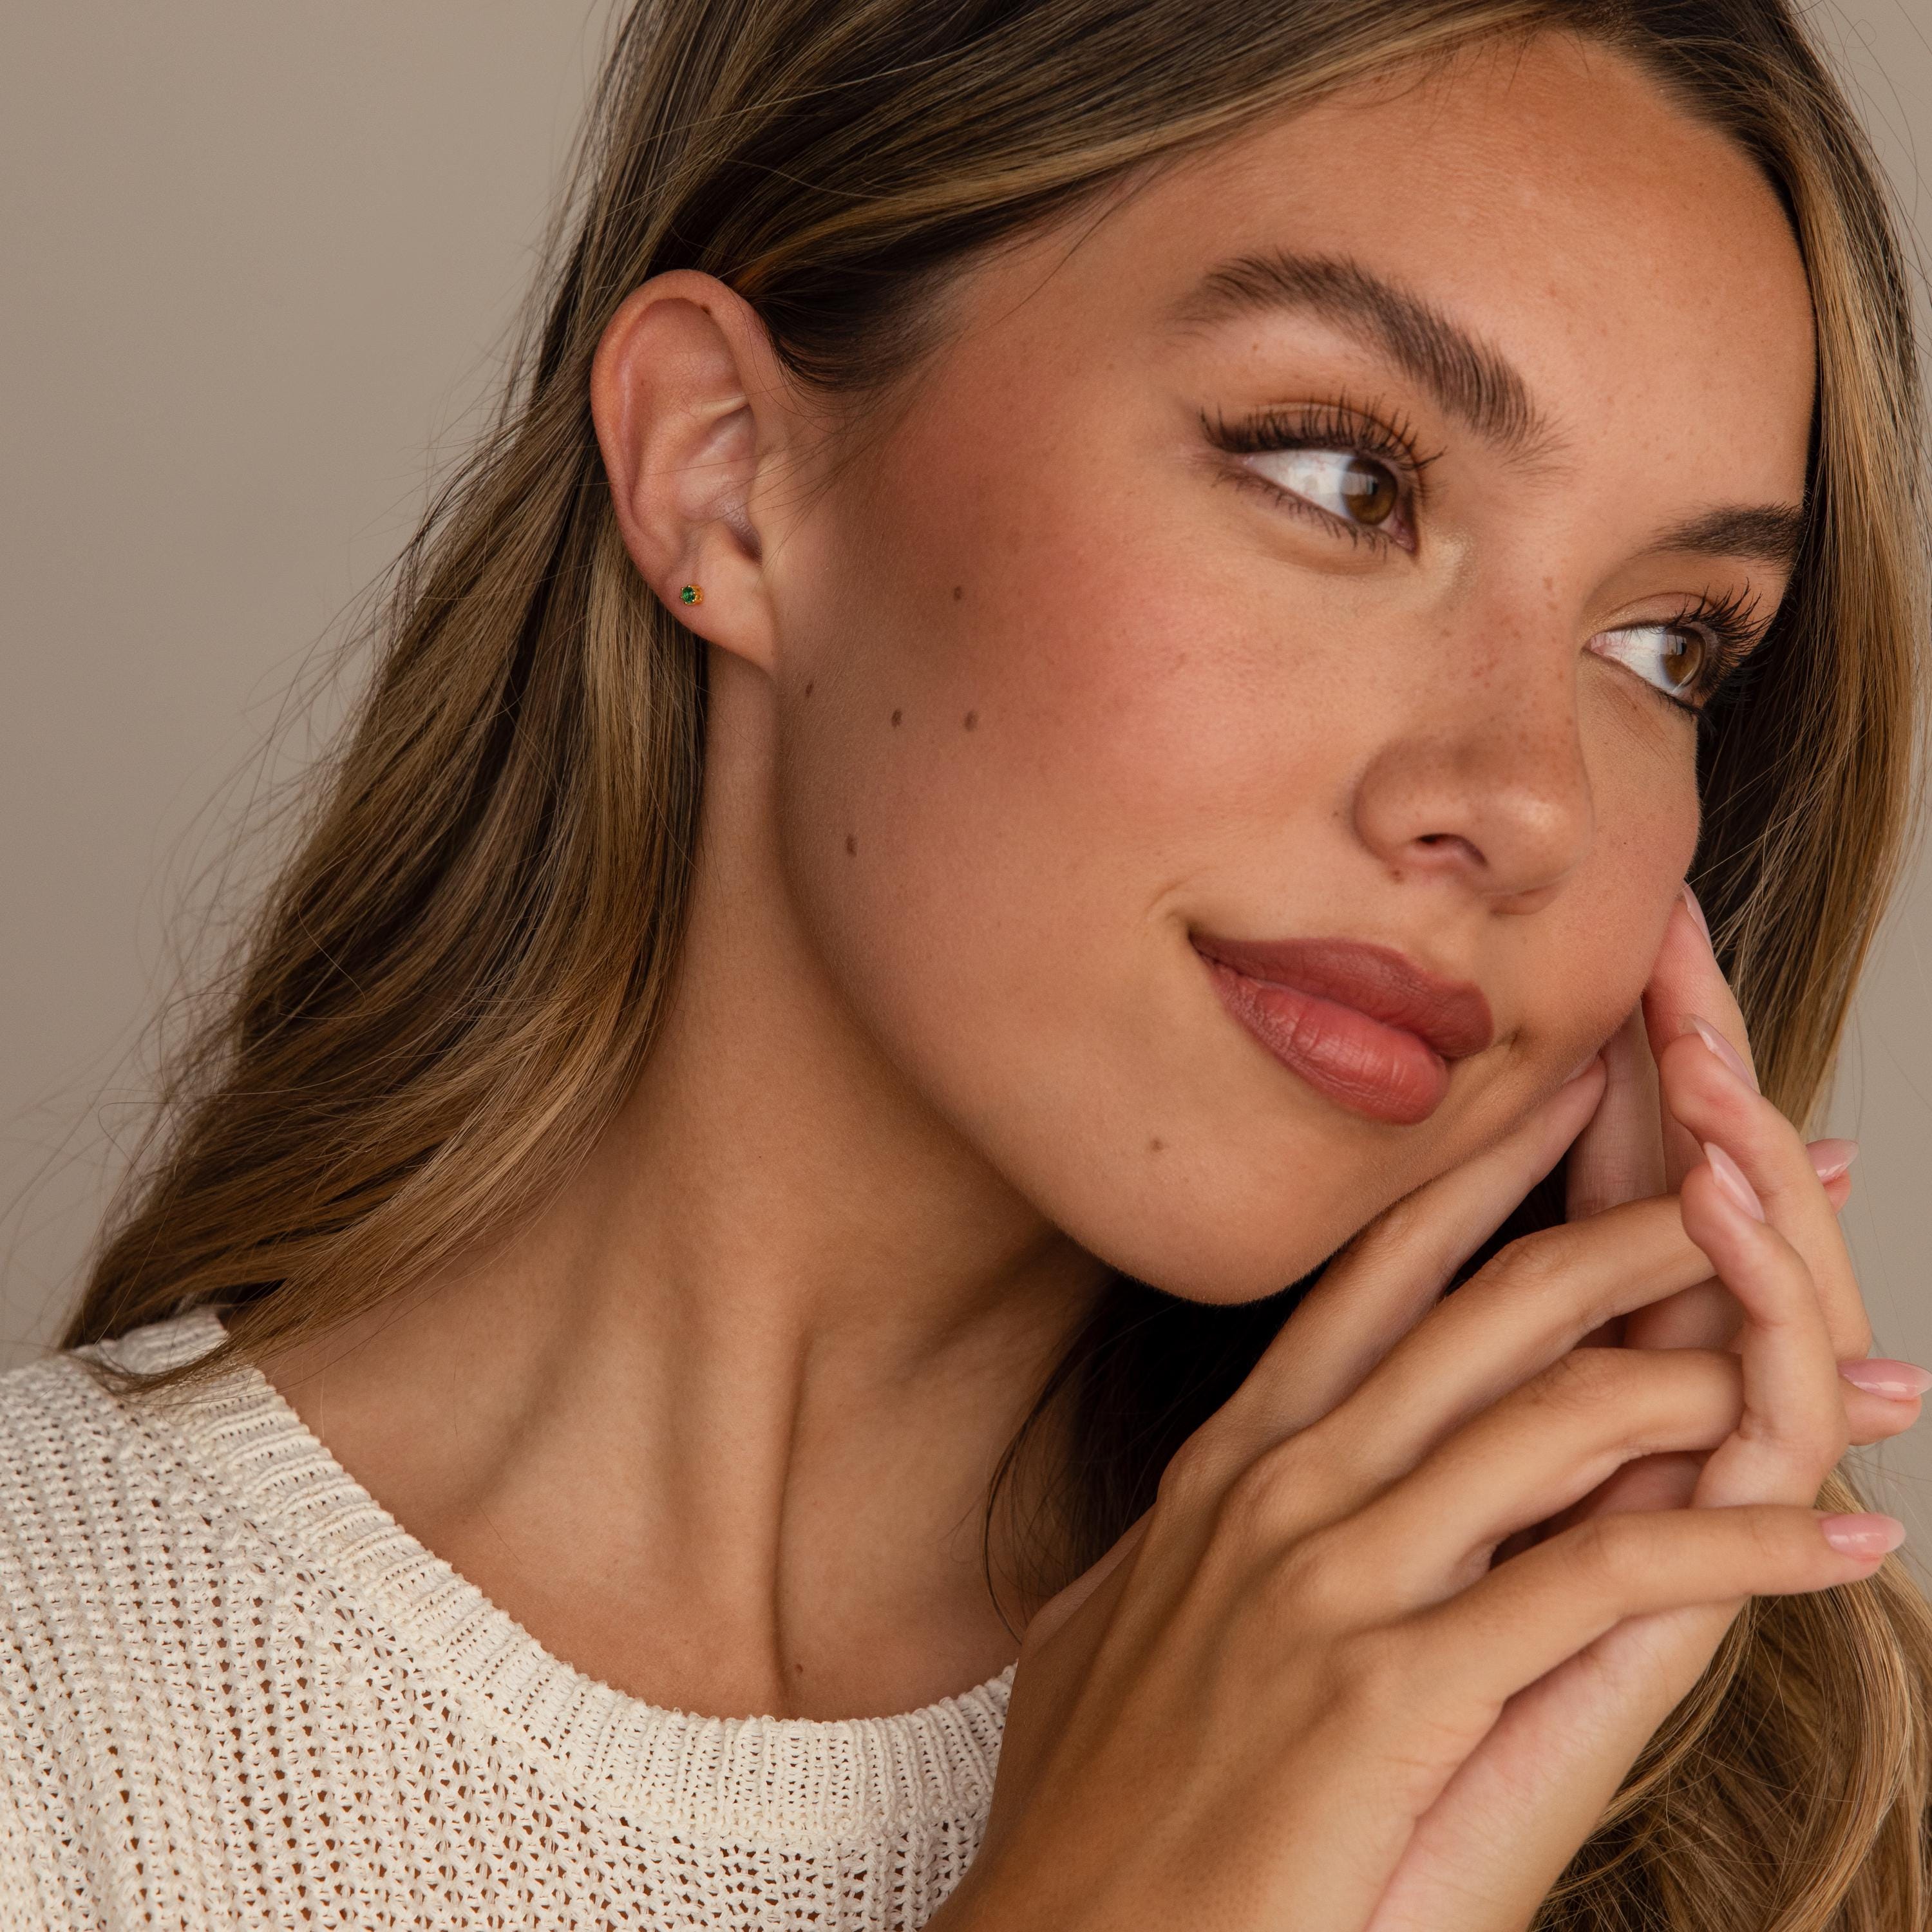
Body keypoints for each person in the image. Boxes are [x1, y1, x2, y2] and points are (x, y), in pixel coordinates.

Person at [3, 0, 1928, 1926]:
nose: (1527, 803)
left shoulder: (1793, 1827)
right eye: (1345, 479)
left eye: (1671, 646)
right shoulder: (51, 1700)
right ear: (724, 470)